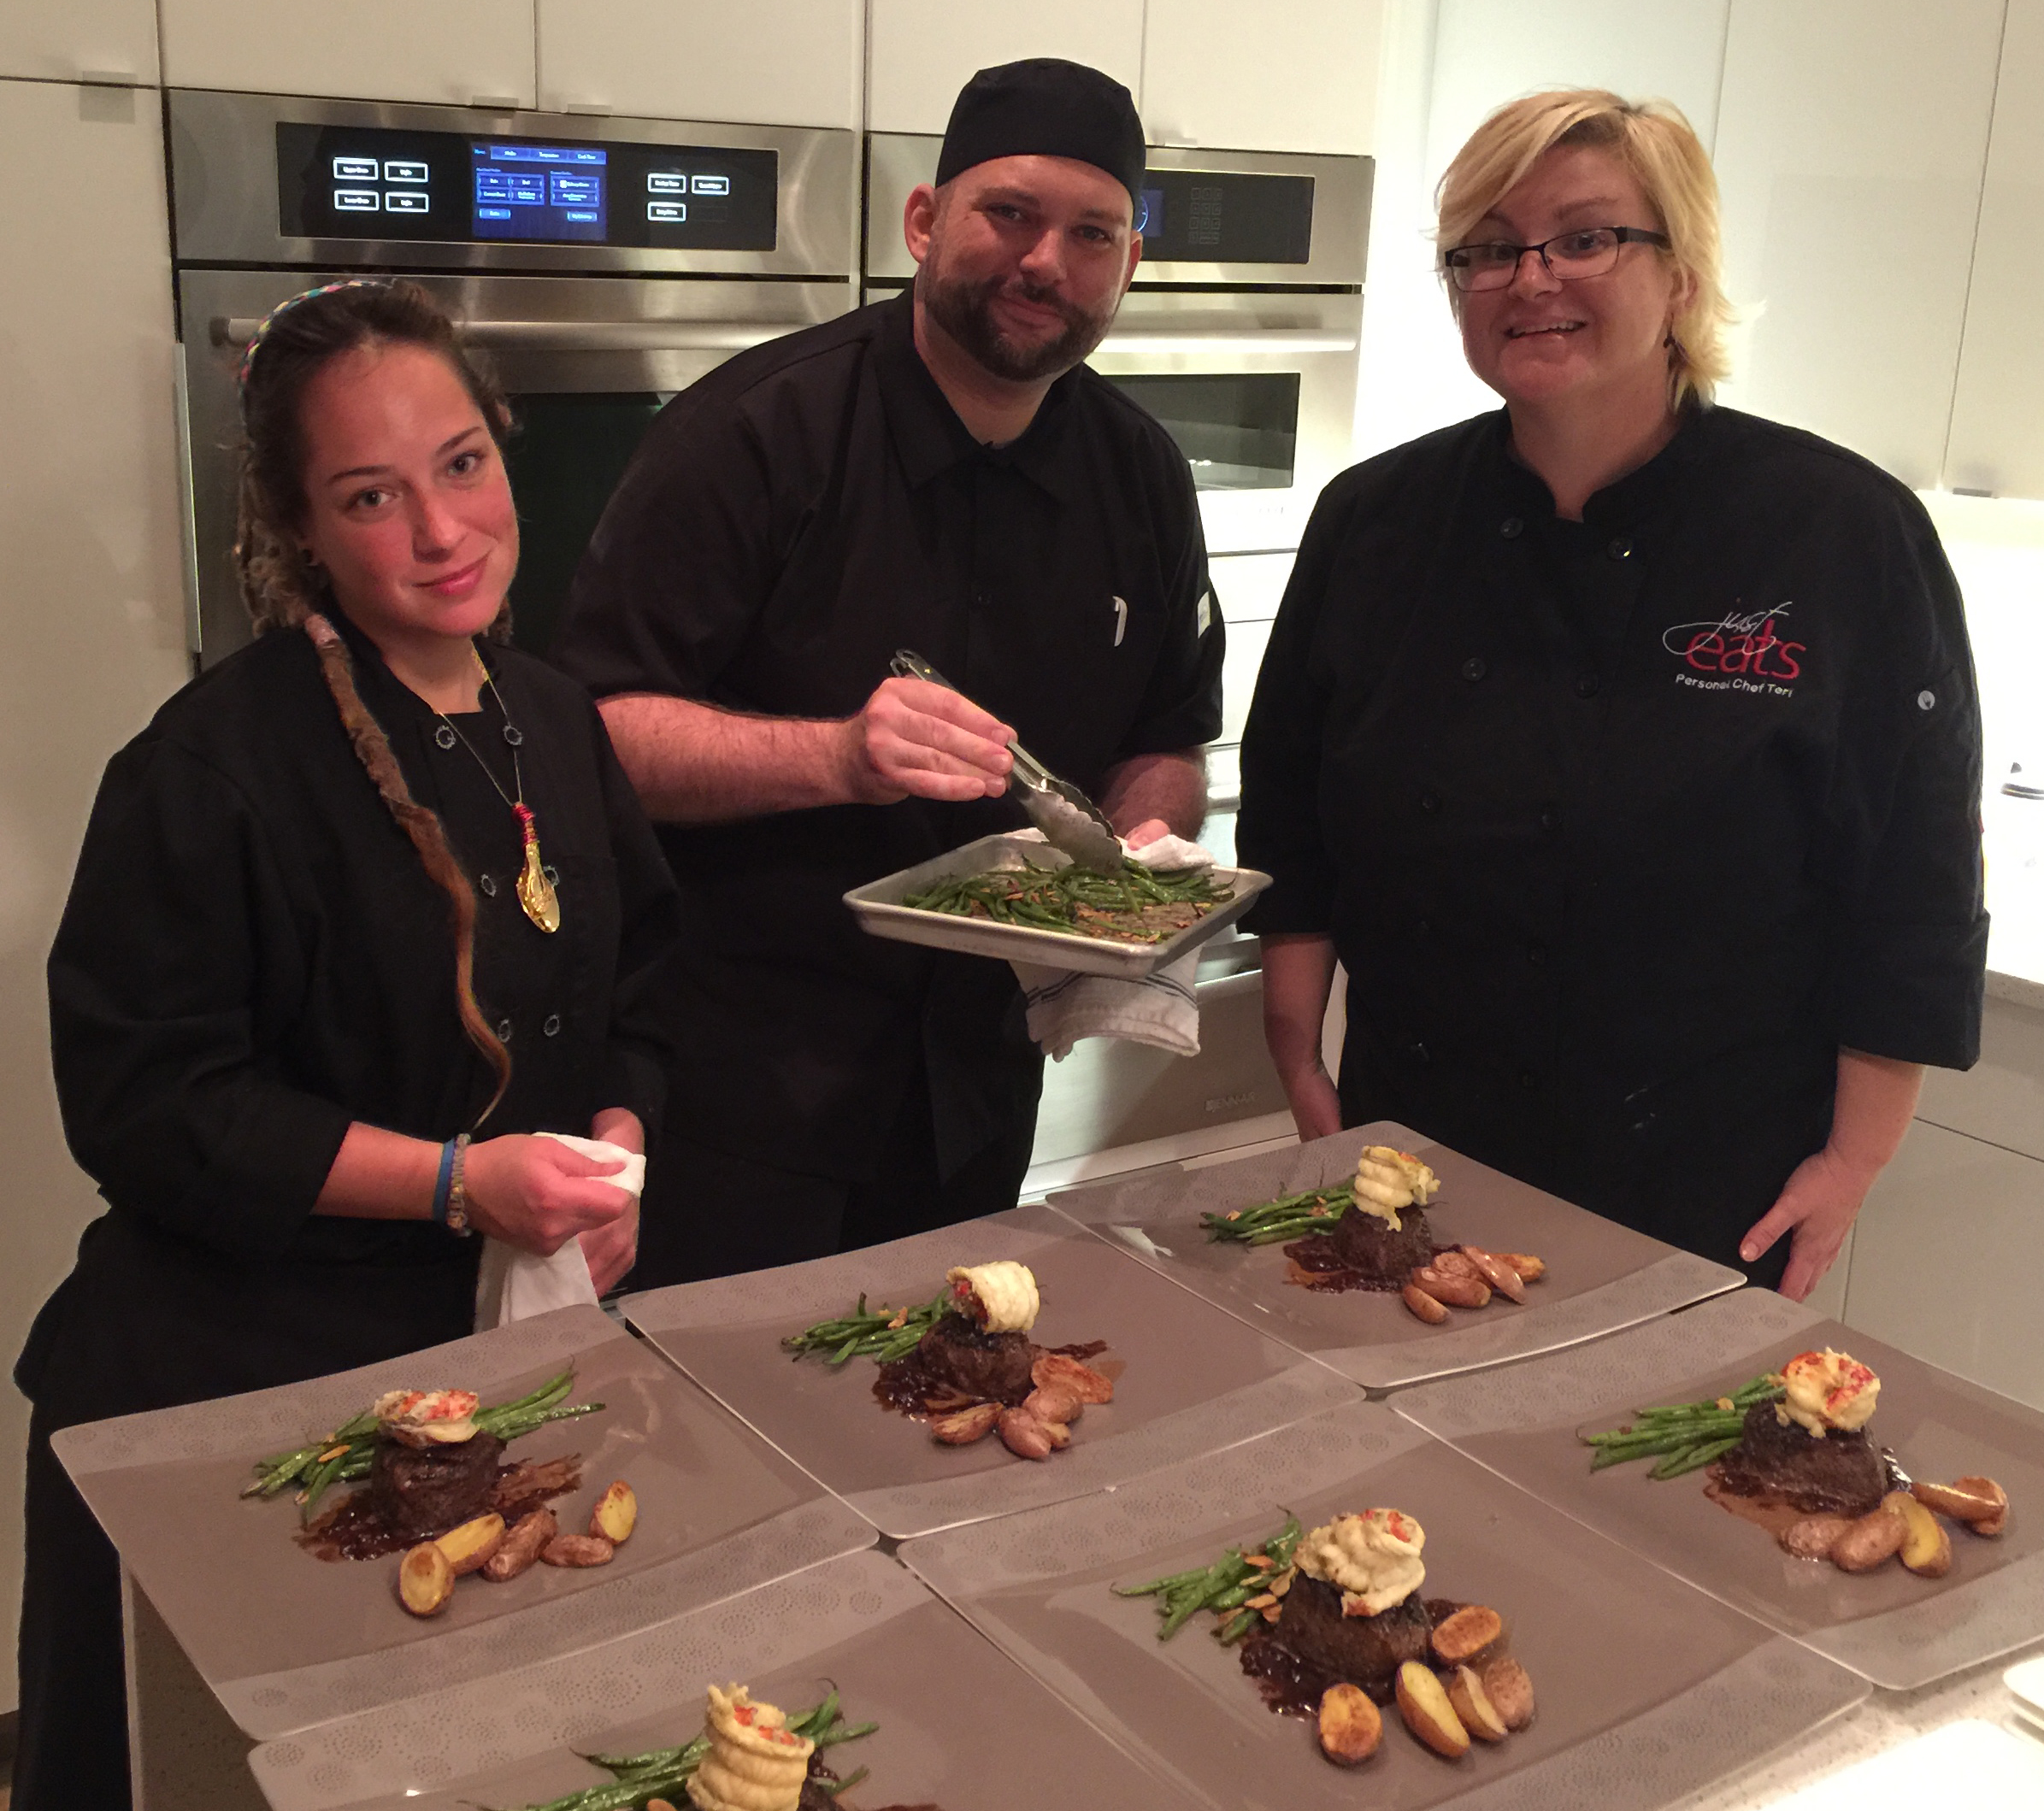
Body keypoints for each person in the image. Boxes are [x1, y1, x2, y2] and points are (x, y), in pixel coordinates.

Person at [13, 279, 680, 1811]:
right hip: (229, 1390)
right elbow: (149, 1103)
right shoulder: (208, 770)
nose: (443, 530)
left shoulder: (554, 720)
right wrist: (463, 1183)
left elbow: (642, 993)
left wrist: (617, 1151)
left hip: (472, 1376)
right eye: (371, 496)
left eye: (462, 463)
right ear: (302, 525)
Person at [1240, 89, 1986, 1300]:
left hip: (1707, 1174)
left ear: (1682, 275)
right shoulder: (1374, 522)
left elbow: (1913, 871)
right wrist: (1296, 1054)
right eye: (1486, 249)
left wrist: (1856, 1159)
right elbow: (1291, 808)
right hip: (1415, 1149)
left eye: (1586, 237)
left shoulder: (1842, 533)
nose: (1529, 278)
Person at [552, 58, 1224, 1285]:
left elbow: (1168, 740)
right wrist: (835, 755)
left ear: (1129, 263)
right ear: (924, 222)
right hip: (737, 1088)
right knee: (724, 1439)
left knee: (939, 1403)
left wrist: (1137, 859)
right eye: (1008, 215)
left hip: (977, 1080)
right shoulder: (751, 436)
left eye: (1092, 233)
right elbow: (594, 735)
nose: (1046, 264)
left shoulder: (1141, 478)